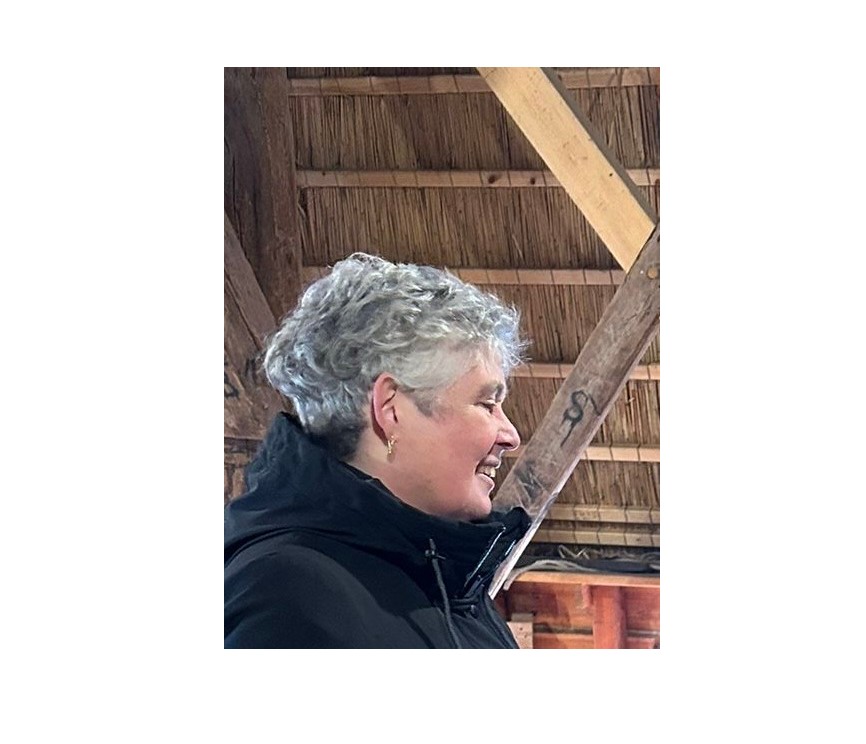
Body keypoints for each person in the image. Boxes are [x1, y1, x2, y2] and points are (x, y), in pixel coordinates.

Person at [224, 252, 531, 648]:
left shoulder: (446, 581)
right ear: (391, 409)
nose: (510, 435)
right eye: (487, 404)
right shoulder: (287, 600)